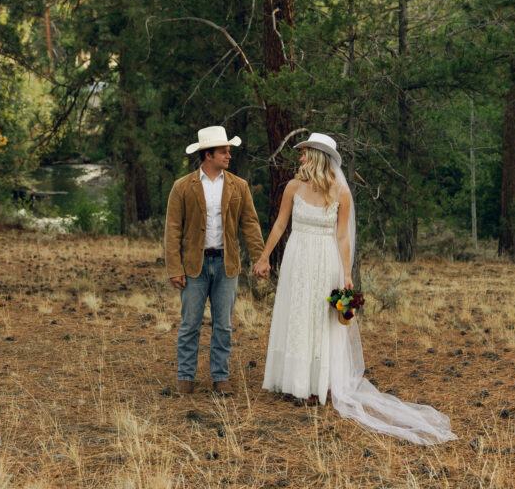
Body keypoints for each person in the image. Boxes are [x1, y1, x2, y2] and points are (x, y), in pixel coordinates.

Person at [253, 133, 457, 445]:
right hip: (297, 257)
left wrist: (346, 274)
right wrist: (265, 256)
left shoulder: (340, 192)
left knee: (321, 320)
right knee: (298, 315)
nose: (300, 157)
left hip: (325, 260)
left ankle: (316, 387)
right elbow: (280, 224)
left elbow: (343, 237)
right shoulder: (293, 187)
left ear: (317, 156)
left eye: (304, 151)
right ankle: (295, 381)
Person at [165, 125, 266, 397]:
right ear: (207, 154)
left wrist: (260, 257)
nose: (229, 156)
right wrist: (175, 268)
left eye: (229, 151)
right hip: (193, 267)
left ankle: (220, 377)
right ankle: (185, 377)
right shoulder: (182, 187)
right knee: (190, 324)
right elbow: (172, 229)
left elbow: (250, 224)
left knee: (223, 325)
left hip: (226, 264)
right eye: (223, 151)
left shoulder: (239, 186)